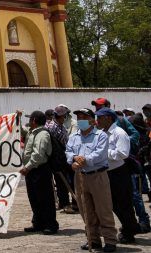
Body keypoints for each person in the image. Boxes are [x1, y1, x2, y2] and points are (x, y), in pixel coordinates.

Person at [66, 108, 117, 252]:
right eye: (78, 117)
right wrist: (74, 159)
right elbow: (68, 151)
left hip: (97, 175)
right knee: (85, 209)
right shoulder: (74, 136)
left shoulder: (100, 135)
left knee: (103, 209)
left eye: (84, 117)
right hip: (80, 176)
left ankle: (110, 240)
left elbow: (100, 154)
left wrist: (83, 160)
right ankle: (93, 240)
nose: (81, 119)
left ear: (91, 120)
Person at [96, 108, 140, 244]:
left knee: (124, 203)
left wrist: (105, 153)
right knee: (114, 204)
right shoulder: (102, 133)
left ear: (108, 118)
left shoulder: (119, 133)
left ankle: (129, 231)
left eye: (100, 118)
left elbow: (122, 153)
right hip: (107, 172)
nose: (98, 121)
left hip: (119, 173)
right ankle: (130, 226)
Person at [20, 110, 58, 235]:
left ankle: (50, 224)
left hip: (40, 170)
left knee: (45, 198)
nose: (29, 122)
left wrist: (28, 167)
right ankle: (38, 223)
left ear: (34, 121)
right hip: (32, 171)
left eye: (30, 119)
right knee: (34, 198)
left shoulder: (42, 135)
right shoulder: (32, 132)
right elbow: (19, 130)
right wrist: (17, 119)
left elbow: (38, 154)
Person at [47, 105, 77, 214]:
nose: (65, 118)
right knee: (61, 182)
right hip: (58, 158)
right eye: (64, 116)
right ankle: (65, 204)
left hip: (65, 156)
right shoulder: (52, 127)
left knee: (70, 180)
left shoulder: (61, 126)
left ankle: (73, 202)